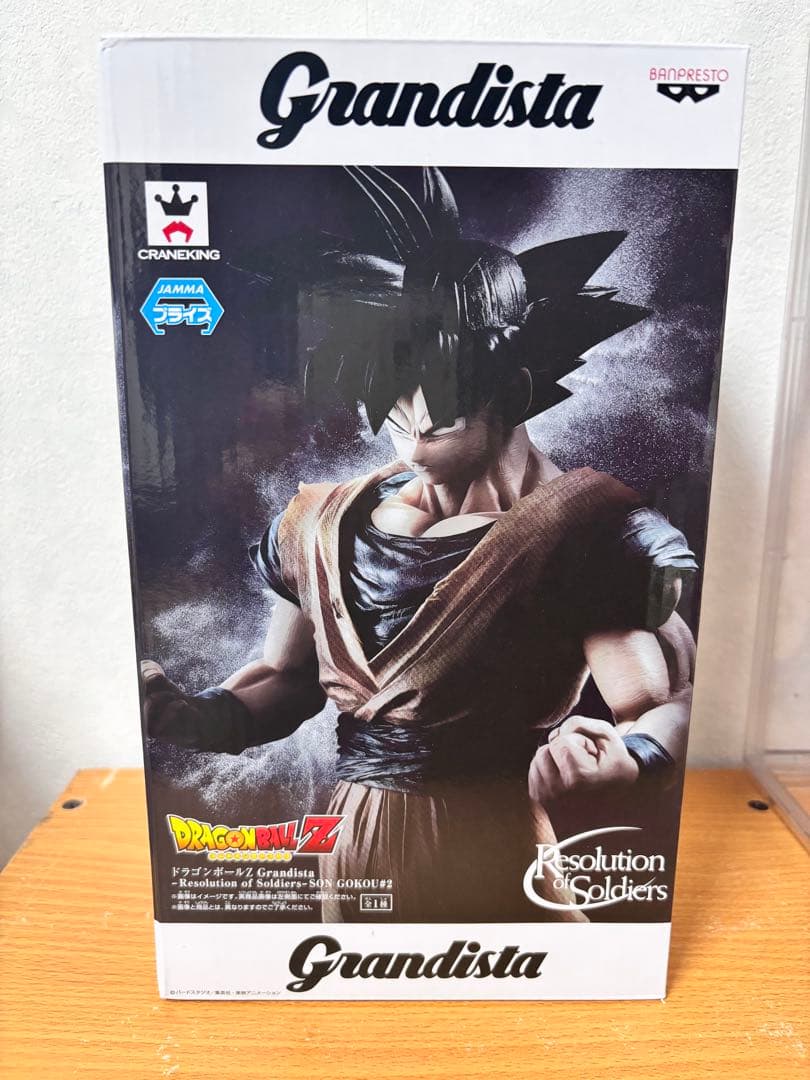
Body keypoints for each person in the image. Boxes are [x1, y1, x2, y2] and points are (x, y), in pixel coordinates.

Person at [142, 167, 697, 922]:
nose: (411, 451)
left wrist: (630, 757)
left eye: (437, 427)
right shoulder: (321, 522)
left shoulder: (585, 534)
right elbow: (285, 679)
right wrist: (187, 714)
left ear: (510, 395)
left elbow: (662, 703)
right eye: (396, 424)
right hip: (355, 854)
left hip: (497, 841)